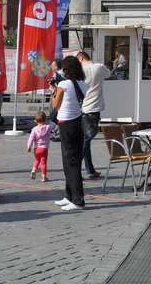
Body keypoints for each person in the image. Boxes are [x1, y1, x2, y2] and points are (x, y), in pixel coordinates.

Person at [51, 54, 87, 210]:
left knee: (70, 161)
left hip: (66, 123)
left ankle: (78, 200)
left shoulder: (64, 85)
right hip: (78, 122)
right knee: (74, 159)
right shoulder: (82, 83)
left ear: (65, 70)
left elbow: (56, 104)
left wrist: (53, 89)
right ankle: (70, 195)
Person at [79, 51, 111, 179]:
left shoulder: (79, 70)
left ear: (80, 59)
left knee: (86, 138)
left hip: (82, 107)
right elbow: (108, 74)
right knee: (87, 139)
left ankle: (90, 169)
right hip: (94, 108)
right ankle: (76, 166)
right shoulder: (99, 67)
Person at [27, 111, 56, 182]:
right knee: (43, 162)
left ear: (35, 121)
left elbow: (31, 138)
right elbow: (54, 124)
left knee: (37, 160)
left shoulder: (34, 129)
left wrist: (29, 146)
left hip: (36, 148)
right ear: (45, 120)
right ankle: (44, 177)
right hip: (44, 148)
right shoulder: (48, 127)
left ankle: (34, 169)